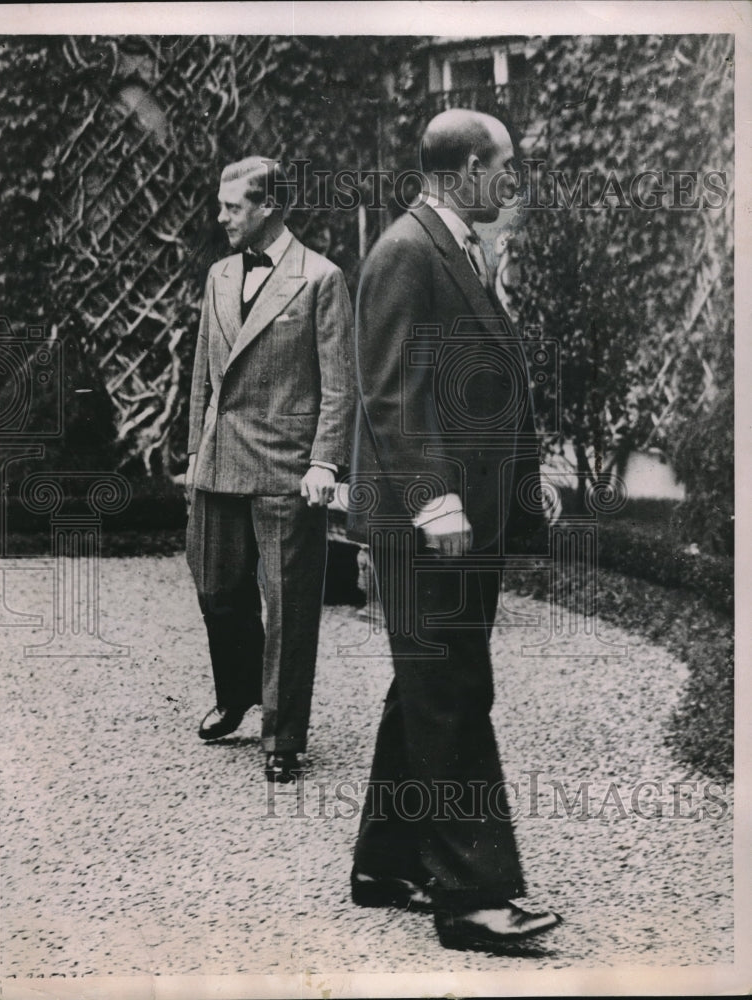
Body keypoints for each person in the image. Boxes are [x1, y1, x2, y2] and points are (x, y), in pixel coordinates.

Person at [347, 110, 562, 952]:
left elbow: (485, 382)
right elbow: (391, 392)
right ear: (466, 166)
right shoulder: (405, 250)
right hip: (424, 524)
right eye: (504, 166)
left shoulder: (460, 247)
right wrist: (436, 501)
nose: (512, 182)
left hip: (462, 520)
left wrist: (523, 477)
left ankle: (386, 863)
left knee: (428, 689)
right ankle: (472, 896)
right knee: (454, 692)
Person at [186, 157, 355, 783]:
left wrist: (324, 462)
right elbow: (203, 374)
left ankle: (283, 736)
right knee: (215, 590)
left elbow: (341, 385)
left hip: (287, 469)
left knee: (288, 606)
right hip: (218, 462)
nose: (221, 216)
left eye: (232, 207)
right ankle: (237, 694)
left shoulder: (321, 278)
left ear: (267, 207)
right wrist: (192, 456)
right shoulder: (219, 274)